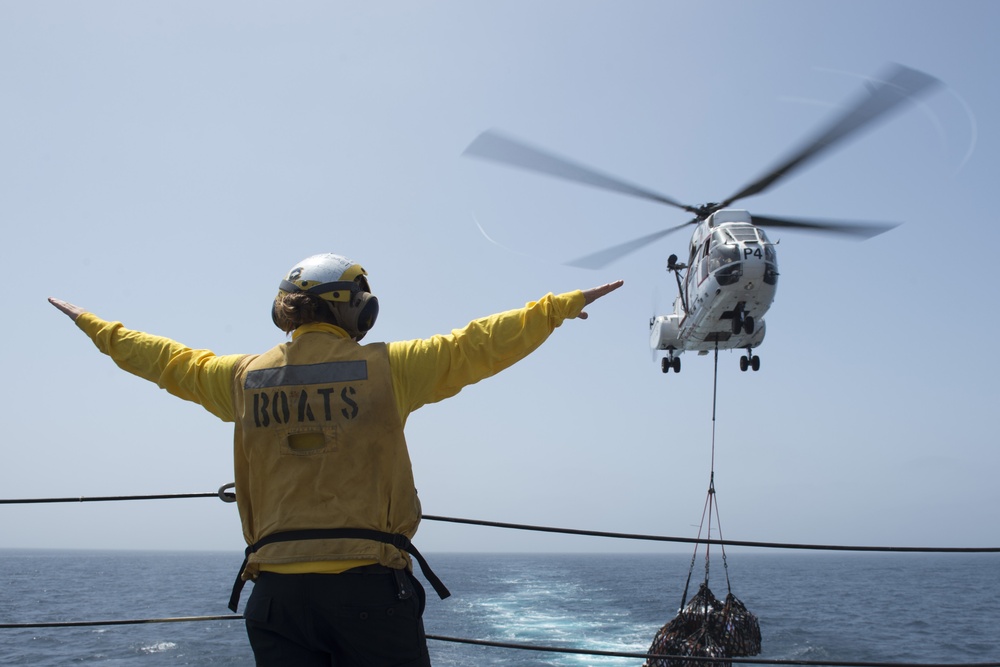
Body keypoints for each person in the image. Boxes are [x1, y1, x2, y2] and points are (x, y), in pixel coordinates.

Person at [48, 252, 622, 667]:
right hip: (368, 594)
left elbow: (164, 360)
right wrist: (558, 307)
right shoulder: (389, 369)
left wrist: (94, 324)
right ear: (360, 310)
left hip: (274, 598)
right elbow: (477, 344)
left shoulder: (242, 378)